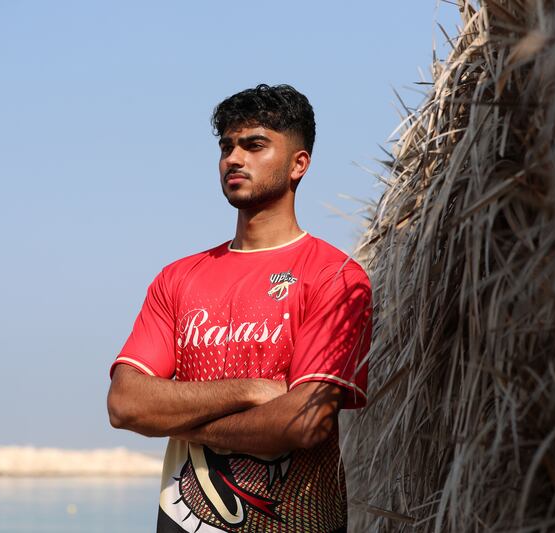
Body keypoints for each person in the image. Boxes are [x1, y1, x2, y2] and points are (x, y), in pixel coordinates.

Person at [107, 83, 372, 533]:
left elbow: (303, 423)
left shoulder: (335, 277)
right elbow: (125, 404)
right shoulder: (178, 278)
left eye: (254, 145)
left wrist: (179, 422)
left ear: (298, 164)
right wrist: (249, 390)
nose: (234, 158)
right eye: (227, 146)